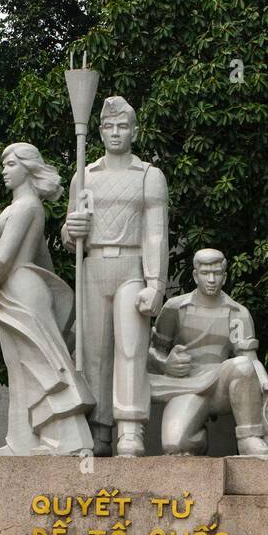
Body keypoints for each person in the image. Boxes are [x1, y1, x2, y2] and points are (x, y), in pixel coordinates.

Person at [61, 96, 169, 456]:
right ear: (100, 131)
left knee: (131, 347)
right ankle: (99, 429)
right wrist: (71, 229)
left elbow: (156, 234)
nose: (116, 133)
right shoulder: (85, 174)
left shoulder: (149, 177)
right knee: (93, 353)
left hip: (131, 267)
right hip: (92, 266)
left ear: (134, 131)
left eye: (123, 126)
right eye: (109, 126)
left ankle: (130, 428)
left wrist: (156, 284)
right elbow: (68, 235)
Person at [0, 142, 94, 456]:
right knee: (19, 367)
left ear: (28, 168)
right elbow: (44, 262)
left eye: (11, 164)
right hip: (20, 289)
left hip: (17, 287)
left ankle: (68, 439)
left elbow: (3, 258)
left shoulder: (26, 206)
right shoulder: (29, 208)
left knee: (41, 364)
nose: (4, 170)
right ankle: (22, 440)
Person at [148, 248, 268, 456]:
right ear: (195, 275)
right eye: (205, 273)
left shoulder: (238, 313)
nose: (211, 280)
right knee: (175, 445)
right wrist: (166, 364)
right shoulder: (175, 308)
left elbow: (250, 360)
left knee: (241, 365)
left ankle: (249, 438)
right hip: (186, 386)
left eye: (217, 273)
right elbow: (152, 352)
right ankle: (197, 436)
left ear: (225, 276)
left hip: (220, 383)